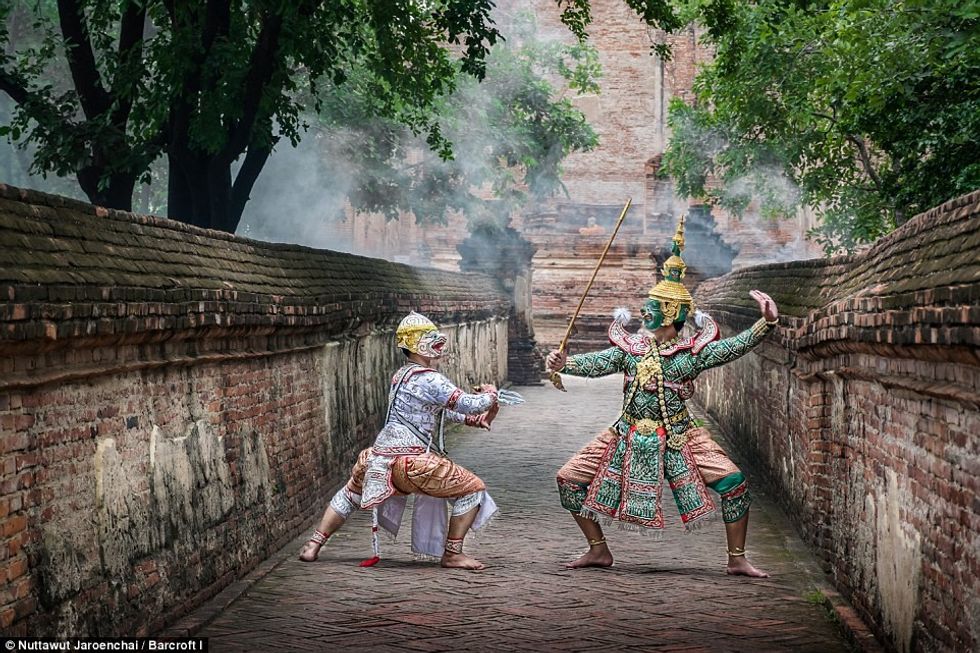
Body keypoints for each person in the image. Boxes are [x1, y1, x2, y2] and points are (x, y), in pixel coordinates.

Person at [547, 216, 778, 577]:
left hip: (680, 438)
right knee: (568, 478)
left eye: (651, 308)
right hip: (625, 435)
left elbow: (733, 347)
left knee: (735, 484)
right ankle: (598, 549)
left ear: (670, 314)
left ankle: (737, 558)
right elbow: (597, 362)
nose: (643, 312)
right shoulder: (631, 348)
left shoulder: (692, 353)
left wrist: (766, 324)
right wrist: (565, 362)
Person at [299, 311, 500, 570]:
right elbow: (470, 403)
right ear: (420, 346)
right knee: (474, 489)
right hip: (413, 464)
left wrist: (474, 421)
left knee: (351, 493)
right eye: (433, 342)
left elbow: (435, 410)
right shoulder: (430, 378)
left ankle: (313, 545)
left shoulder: (401, 376)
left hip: (377, 458)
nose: (439, 349)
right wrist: (492, 393)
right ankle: (452, 554)